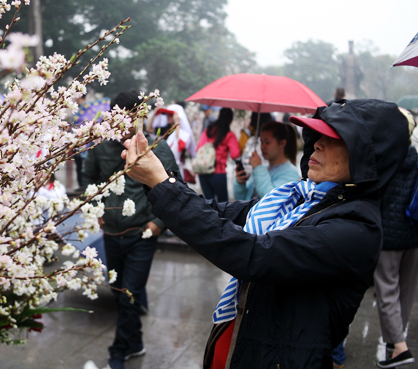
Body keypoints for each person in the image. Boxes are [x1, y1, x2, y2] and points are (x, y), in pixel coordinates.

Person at [119, 99, 411, 369]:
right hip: (237, 343)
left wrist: (160, 183)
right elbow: (221, 213)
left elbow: (253, 254)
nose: (316, 145)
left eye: (333, 139)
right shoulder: (299, 198)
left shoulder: (356, 228)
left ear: (366, 157)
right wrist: (160, 176)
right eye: (317, 136)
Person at [82, 90, 179, 369]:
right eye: (120, 118)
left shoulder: (157, 148)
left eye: (132, 118)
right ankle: (135, 342)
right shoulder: (102, 146)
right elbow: (89, 178)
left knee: (129, 294)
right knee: (118, 291)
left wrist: (158, 223)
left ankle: (118, 353)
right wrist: (95, 208)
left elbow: (175, 187)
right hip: (111, 233)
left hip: (141, 234)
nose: (125, 124)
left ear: (141, 117)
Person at [374, 138, 418, 368]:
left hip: (389, 237)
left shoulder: (386, 161)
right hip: (414, 234)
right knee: (407, 291)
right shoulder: (416, 158)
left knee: (387, 291)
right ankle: (395, 342)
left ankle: (399, 347)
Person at [233, 121, 299, 200]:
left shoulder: (291, 173)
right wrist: (240, 183)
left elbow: (271, 199)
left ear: (282, 143)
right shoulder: (263, 168)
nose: (262, 146)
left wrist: (258, 168)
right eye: (261, 142)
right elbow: (242, 199)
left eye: (267, 143)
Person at [196, 108, 240, 202]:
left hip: (203, 171)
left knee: (209, 204)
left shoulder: (208, 130)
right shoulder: (229, 135)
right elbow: (235, 154)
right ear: (231, 120)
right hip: (218, 172)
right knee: (223, 205)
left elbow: (198, 148)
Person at [155, 103, 197, 178]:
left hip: (176, 171)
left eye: (171, 115)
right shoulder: (170, 133)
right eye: (167, 115)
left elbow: (181, 146)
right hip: (166, 170)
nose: (167, 117)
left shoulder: (185, 134)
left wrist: (177, 122)